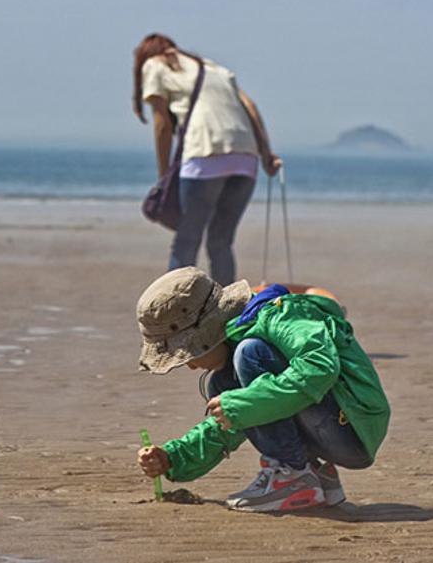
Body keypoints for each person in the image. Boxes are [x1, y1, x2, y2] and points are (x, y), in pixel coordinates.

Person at [134, 267, 390, 512]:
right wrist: (174, 458)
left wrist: (244, 404)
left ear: (206, 333)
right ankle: (315, 478)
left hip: (355, 427)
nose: (191, 366)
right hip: (329, 429)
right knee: (223, 385)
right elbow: (228, 425)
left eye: (188, 354)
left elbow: (319, 367)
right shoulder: (235, 347)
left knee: (250, 354)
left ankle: (293, 477)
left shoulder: (279, 314)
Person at [132, 33, 282, 285]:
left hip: (204, 154)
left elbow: (162, 125)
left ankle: (176, 313)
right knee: (221, 241)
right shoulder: (216, 69)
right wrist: (266, 154)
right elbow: (250, 106)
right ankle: (228, 313)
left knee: (186, 240)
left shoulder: (155, 64)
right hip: (246, 157)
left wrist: (163, 175)